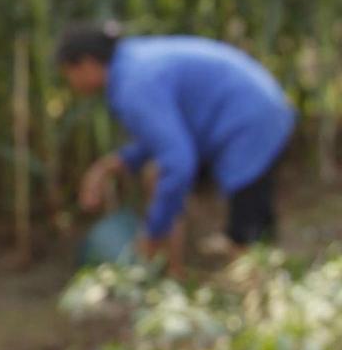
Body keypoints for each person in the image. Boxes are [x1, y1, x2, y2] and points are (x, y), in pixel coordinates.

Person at [57, 22, 295, 271]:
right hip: (250, 112)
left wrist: (153, 233)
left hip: (249, 123)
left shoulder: (133, 85)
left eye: (68, 74)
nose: (71, 83)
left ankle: (248, 282)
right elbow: (165, 139)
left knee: (248, 234)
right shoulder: (130, 64)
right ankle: (178, 271)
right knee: (163, 178)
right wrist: (111, 165)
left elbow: (178, 162)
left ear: (86, 64)